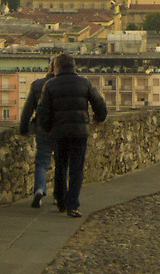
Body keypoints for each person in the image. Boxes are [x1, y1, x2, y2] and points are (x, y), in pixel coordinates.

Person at [33, 53, 108, 217]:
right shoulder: (84, 83)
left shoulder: (50, 85)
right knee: (76, 168)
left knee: (61, 166)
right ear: (73, 66)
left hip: (59, 132)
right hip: (80, 132)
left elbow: (42, 111)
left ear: (57, 66)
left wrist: (47, 128)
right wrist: (99, 117)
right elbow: (99, 103)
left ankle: (61, 200)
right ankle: (73, 204)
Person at [15, 58, 57, 209]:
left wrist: (23, 128)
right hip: (62, 129)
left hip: (42, 128)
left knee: (42, 161)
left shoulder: (38, 84)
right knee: (62, 161)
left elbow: (27, 110)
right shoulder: (69, 83)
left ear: (50, 68)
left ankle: (39, 189)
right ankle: (60, 195)